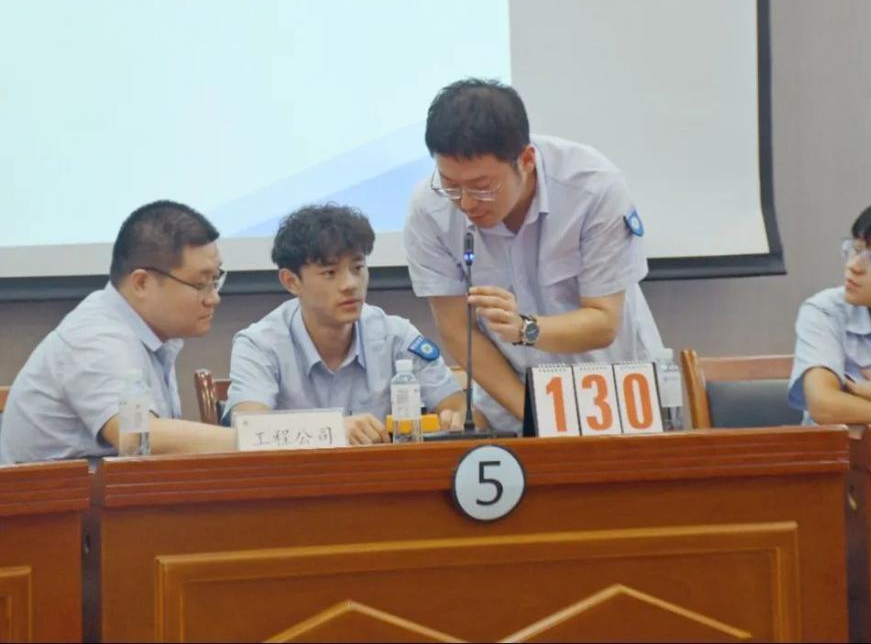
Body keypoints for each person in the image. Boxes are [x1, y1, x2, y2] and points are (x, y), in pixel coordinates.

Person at [403, 78, 662, 434]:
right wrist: (534, 415)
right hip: (514, 405)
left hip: (613, 394)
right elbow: (457, 330)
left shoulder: (592, 187)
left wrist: (525, 329)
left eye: (482, 187)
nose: (466, 203)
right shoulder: (429, 211)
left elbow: (603, 322)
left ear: (525, 160)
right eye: (450, 185)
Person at [0, 201, 235, 464]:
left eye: (216, 279)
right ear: (141, 283)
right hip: (50, 491)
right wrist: (254, 439)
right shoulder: (95, 336)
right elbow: (137, 435)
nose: (214, 298)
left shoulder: (149, 334)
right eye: (201, 283)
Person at [225, 204, 465, 444]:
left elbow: (454, 407)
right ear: (291, 281)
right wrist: (332, 430)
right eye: (330, 273)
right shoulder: (259, 344)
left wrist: (449, 418)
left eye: (357, 268)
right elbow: (248, 430)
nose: (350, 284)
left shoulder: (397, 336)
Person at [789, 196, 871, 425]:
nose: (853, 266)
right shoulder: (826, 311)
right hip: (838, 449)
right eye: (856, 250)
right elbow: (824, 406)